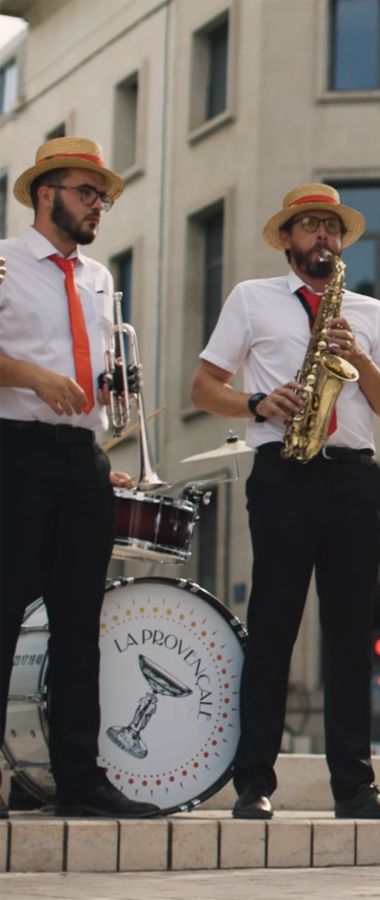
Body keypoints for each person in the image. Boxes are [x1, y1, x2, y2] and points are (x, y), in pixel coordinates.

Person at [191, 183, 380, 820]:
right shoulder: (251, 299)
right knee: (275, 627)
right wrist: (256, 403)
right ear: (287, 238)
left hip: (354, 476)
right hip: (284, 469)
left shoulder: (366, 311)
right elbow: (204, 387)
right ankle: (254, 782)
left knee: (350, 635)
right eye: (310, 226)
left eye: (332, 227)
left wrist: (360, 358)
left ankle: (356, 787)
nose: (324, 237)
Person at [0, 137, 160, 818]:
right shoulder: (4, 261)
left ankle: (79, 779)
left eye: (103, 196)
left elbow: (92, 375)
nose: (99, 205)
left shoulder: (98, 277)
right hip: (13, 449)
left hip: (81, 457)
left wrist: (114, 391)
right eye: (86, 192)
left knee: (77, 624)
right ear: (46, 194)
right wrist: (33, 374)